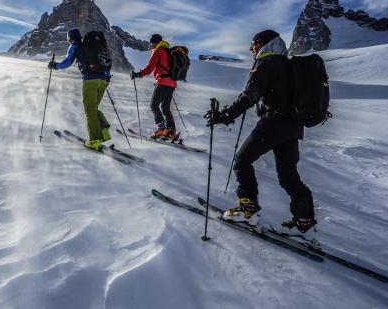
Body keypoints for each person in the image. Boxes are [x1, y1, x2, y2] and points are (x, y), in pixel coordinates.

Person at [206, 30, 316, 239]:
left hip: (274, 122)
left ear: (264, 44)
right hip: (293, 126)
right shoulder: (288, 64)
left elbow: (250, 94)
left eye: (253, 44)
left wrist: (227, 115)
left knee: (241, 160)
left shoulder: (266, 62)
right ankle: (304, 224)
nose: (251, 49)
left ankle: (248, 211)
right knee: (289, 176)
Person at [48, 28, 112, 150]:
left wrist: (55, 65)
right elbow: (105, 63)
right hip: (102, 81)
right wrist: (107, 78)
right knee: (94, 108)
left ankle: (95, 140)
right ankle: (104, 131)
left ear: (70, 38)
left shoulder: (75, 46)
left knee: (90, 110)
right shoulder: (93, 46)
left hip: (90, 81)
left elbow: (67, 62)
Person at [130, 34, 179, 141]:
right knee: (165, 108)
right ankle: (171, 131)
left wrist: (137, 74)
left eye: (151, 44)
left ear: (154, 43)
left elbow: (149, 68)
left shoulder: (158, 51)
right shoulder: (167, 51)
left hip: (163, 82)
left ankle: (161, 129)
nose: (151, 46)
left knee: (153, 105)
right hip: (172, 83)